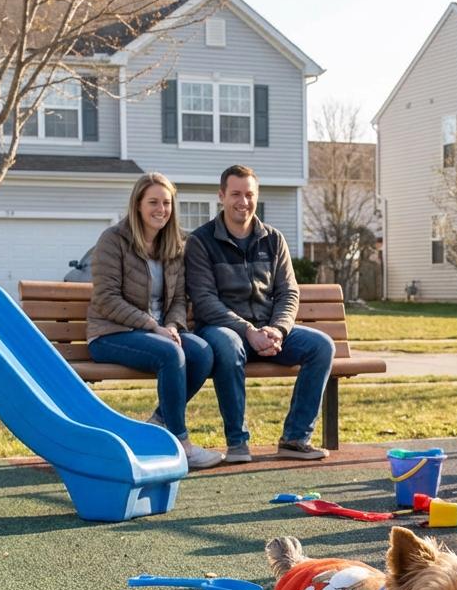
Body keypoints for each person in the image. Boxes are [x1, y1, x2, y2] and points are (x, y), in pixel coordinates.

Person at [186, 165, 335, 461]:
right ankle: (237, 442)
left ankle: (295, 439)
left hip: (268, 332)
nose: (243, 201)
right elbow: (204, 301)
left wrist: (277, 329)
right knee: (229, 345)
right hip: (222, 330)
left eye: (249, 194)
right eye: (235, 194)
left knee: (321, 346)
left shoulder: (273, 239)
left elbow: (288, 292)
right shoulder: (200, 241)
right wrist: (248, 331)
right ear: (221, 196)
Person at [86, 172, 223, 470]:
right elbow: (106, 299)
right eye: (153, 202)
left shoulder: (174, 245)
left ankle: (159, 422)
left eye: (166, 202)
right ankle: (181, 444)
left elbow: (179, 300)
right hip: (111, 333)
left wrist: (172, 326)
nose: (161, 209)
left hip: (159, 332)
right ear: (137, 204)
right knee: (171, 353)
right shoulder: (113, 240)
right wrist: (153, 326)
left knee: (202, 352)